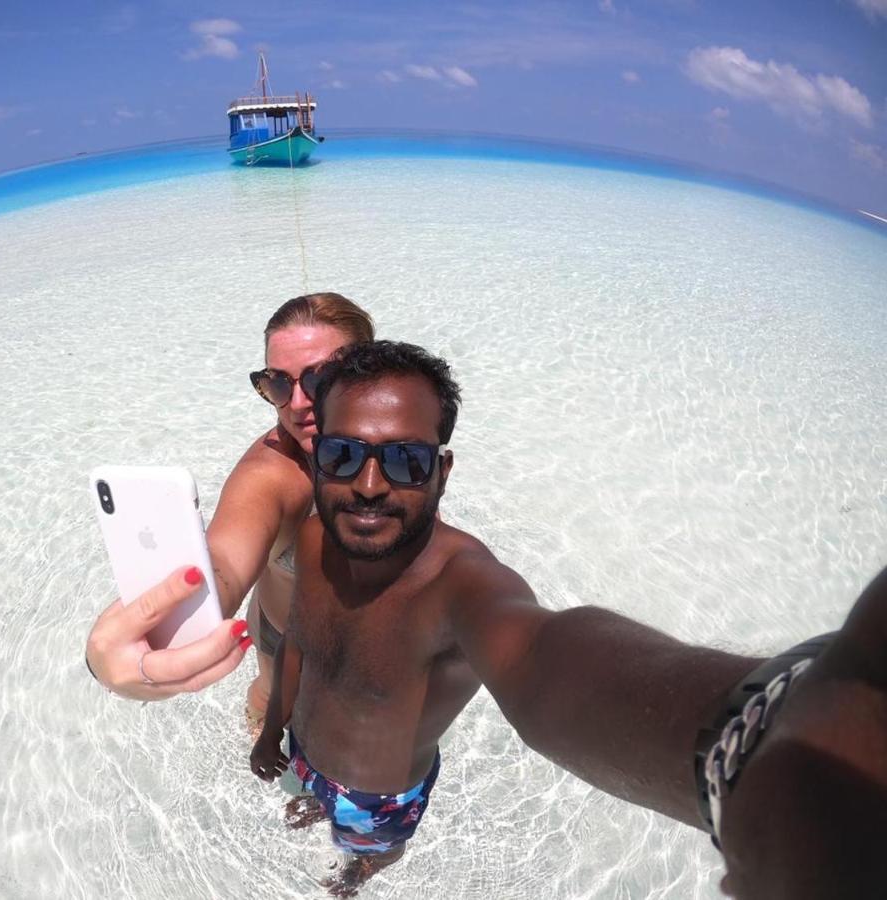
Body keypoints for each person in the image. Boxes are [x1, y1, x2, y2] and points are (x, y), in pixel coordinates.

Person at [248, 340, 887, 898]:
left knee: (371, 852)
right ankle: (311, 802)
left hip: (377, 799)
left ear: (441, 473)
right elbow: (302, 645)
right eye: (342, 454)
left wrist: (757, 742)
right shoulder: (312, 539)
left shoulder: (460, 586)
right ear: (317, 453)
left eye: (405, 461)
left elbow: (545, 659)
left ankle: (360, 877)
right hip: (305, 752)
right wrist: (274, 730)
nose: (366, 485)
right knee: (306, 801)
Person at [84, 293, 374, 725]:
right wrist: (131, 645)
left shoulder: (407, 441)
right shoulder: (274, 474)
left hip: (375, 635)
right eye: (278, 384)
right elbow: (223, 562)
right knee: (272, 699)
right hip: (286, 634)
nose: (296, 404)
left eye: (321, 378)